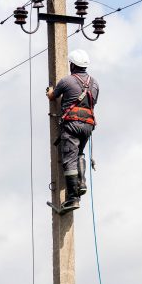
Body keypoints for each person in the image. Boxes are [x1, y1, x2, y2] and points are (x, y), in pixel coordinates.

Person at [46, 49, 99, 211]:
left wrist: (49, 91)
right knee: (79, 154)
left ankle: (72, 198)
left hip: (72, 124)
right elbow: (93, 103)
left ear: (72, 65)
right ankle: (81, 182)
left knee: (69, 159)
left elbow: (53, 96)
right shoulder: (94, 83)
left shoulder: (67, 81)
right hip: (88, 125)